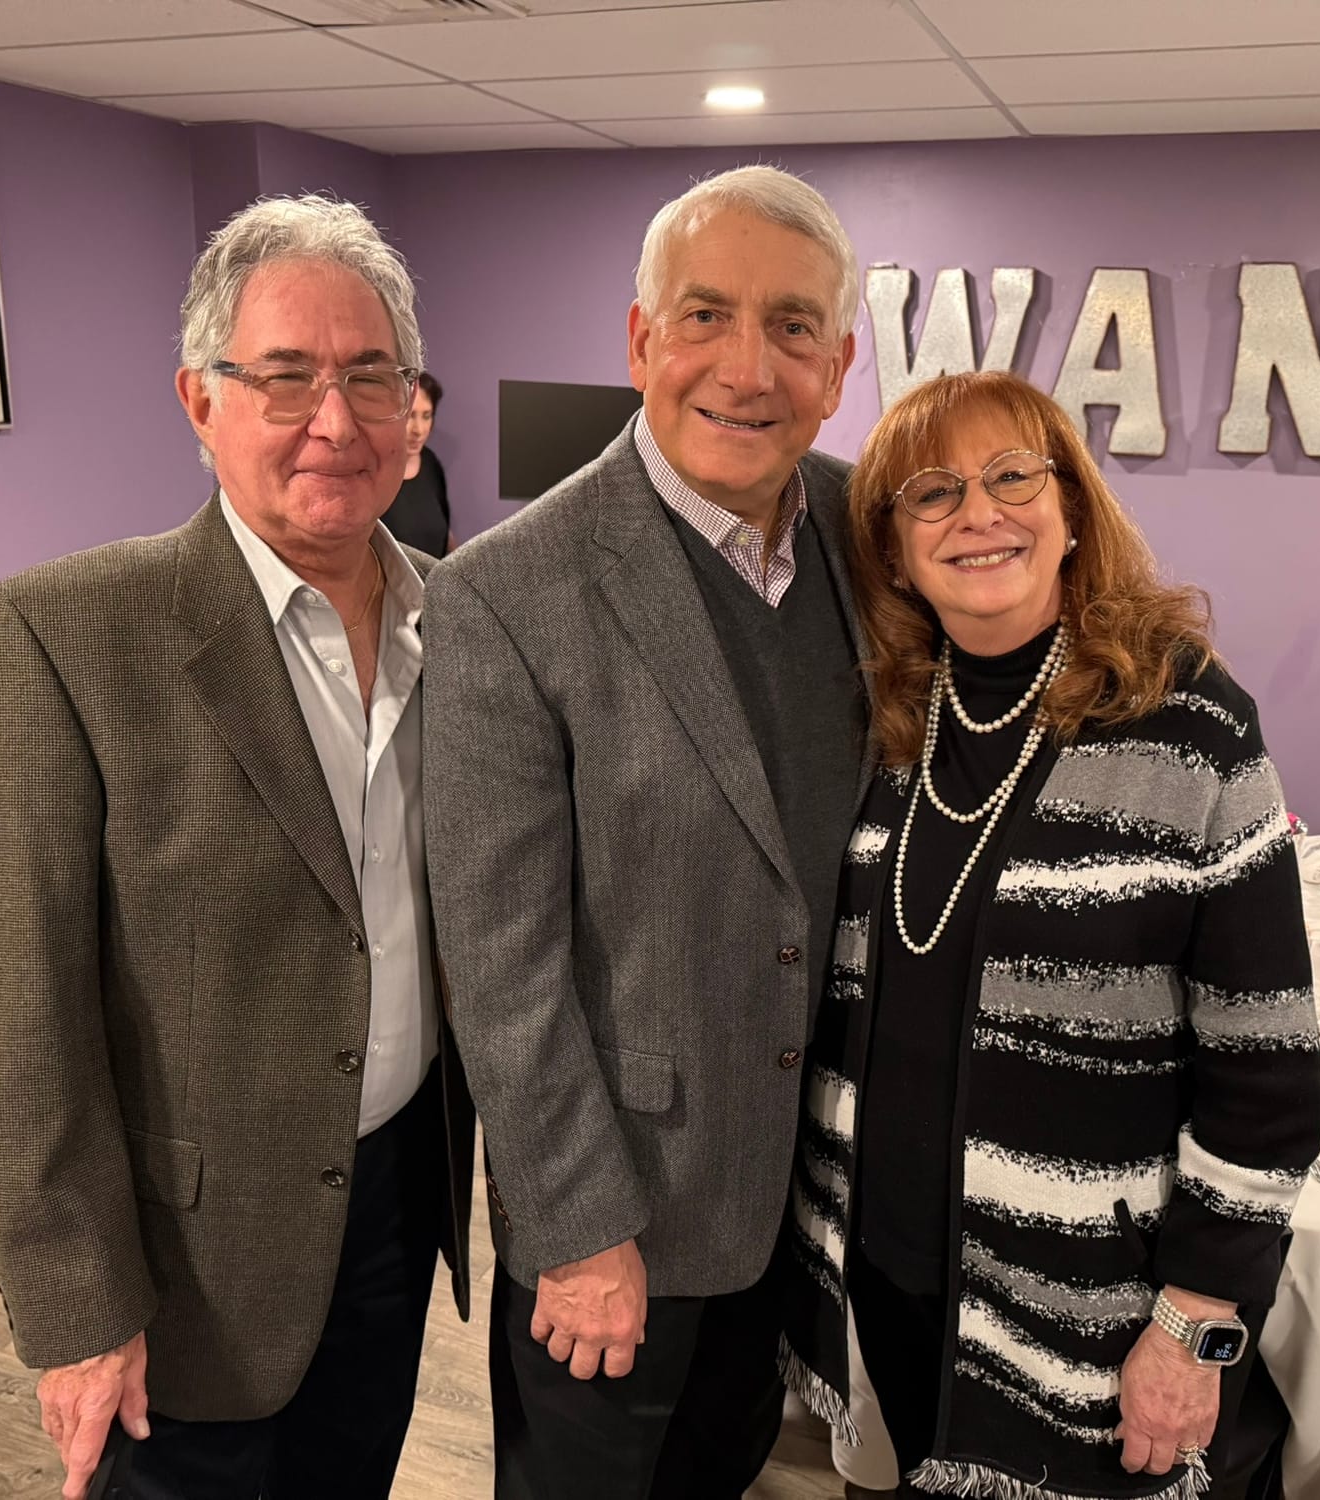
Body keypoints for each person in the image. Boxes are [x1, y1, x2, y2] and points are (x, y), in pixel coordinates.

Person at [0, 193, 473, 1500]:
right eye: (284, 377)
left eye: (370, 376)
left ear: (414, 408)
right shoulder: (60, 635)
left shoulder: (462, 624)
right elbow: (8, 1017)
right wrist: (75, 1308)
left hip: (398, 1199)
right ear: (200, 400)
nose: (334, 420)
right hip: (185, 1259)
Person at [780, 371, 1320, 1500]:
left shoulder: (1188, 727)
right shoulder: (885, 721)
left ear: (1070, 507)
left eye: (1011, 476)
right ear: (893, 551)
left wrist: (1196, 1322)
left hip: (1082, 1313)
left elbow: (1268, 1075)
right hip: (877, 1277)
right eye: (932, 493)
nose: (977, 513)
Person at [422, 164, 868, 1500]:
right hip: (622, 1220)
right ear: (638, 340)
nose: (747, 366)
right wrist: (575, 1231)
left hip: (806, 1197)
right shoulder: (507, 593)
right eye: (704, 316)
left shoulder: (870, 532)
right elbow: (499, 964)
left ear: (838, 367)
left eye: (792, 326)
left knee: (723, 1474)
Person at [383, 370, 454, 556]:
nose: (419, 430)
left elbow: (444, 535)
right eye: (410, 416)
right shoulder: (372, 471)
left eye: (426, 416)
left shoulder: (430, 462)